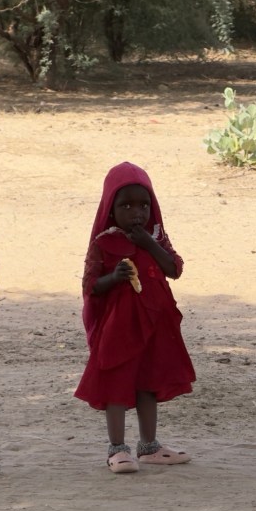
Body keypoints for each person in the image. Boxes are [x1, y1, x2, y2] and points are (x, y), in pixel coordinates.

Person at [76, 162, 195, 473]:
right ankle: (117, 448)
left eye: (144, 205)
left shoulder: (156, 237)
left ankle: (149, 446)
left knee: (148, 383)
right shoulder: (104, 243)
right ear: (110, 209)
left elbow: (174, 269)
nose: (137, 213)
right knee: (116, 384)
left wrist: (149, 244)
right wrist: (114, 277)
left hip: (155, 325)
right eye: (126, 206)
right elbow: (91, 285)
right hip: (119, 328)